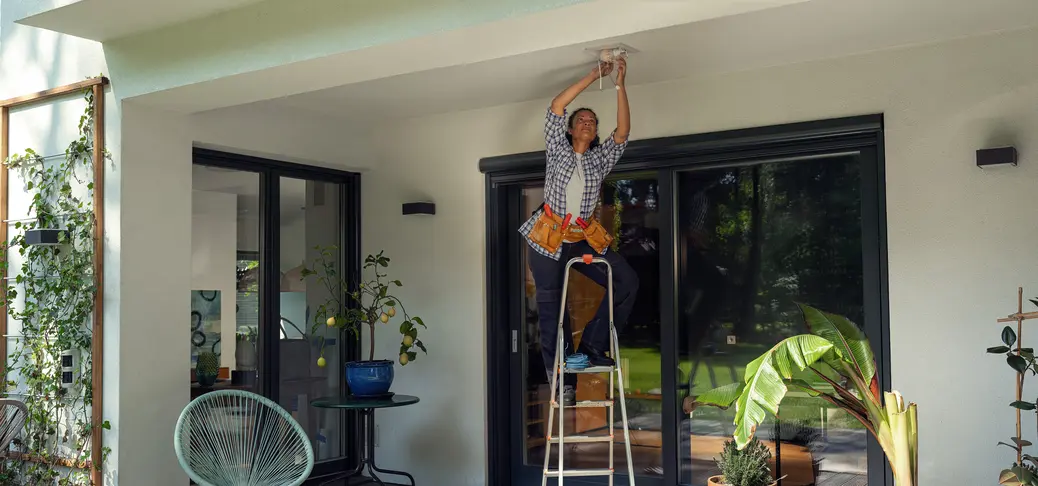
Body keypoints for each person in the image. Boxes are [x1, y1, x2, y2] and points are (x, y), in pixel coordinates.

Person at [518, 58, 639, 406]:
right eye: (581, 120)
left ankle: (591, 344)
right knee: (553, 311)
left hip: (582, 237)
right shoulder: (557, 149)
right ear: (570, 130)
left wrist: (619, 84)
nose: (587, 123)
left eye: (592, 121)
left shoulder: (600, 159)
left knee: (627, 281)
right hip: (548, 240)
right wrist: (593, 74)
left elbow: (623, 133)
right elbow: (557, 106)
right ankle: (562, 382)